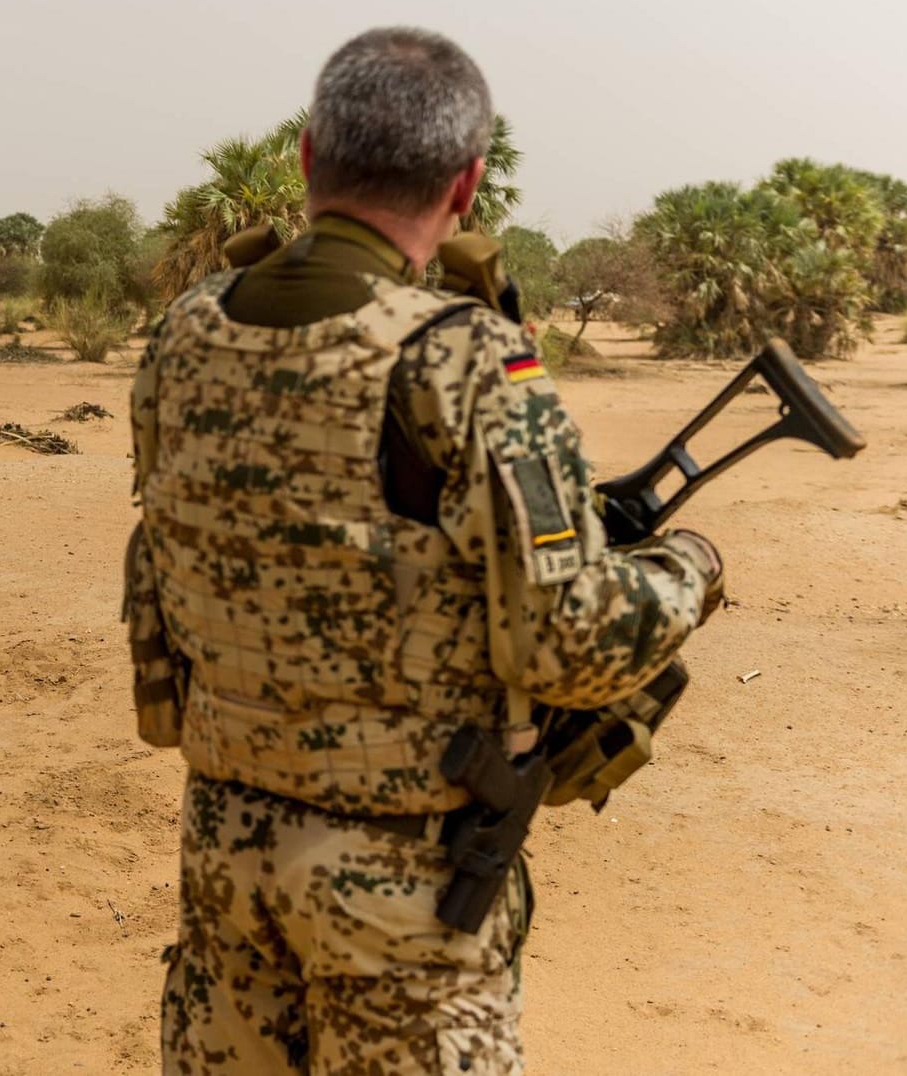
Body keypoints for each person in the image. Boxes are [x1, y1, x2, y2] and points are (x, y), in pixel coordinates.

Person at [125, 27, 726, 1075]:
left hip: (223, 853)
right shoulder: (462, 355)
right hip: (404, 893)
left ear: (309, 158)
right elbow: (566, 644)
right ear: (465, 185)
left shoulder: (184, 330)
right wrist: (687, 569)